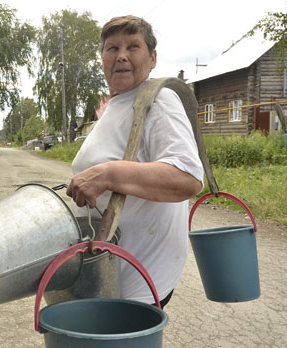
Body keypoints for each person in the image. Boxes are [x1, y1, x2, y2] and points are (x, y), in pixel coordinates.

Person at [66, 15, 204, 308]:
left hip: (138, 278)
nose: (122, 56)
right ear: (102, 58)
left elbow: (188, 178)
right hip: (107, 273)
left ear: (153, 58)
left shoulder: (159, 101)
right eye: (112, 48)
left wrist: (108, 174)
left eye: (133, 47)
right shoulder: (118, 104)